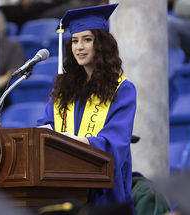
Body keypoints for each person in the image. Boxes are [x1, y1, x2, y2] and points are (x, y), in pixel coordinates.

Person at [37, 3, 137, 210]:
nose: (79, 47)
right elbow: (45, 126)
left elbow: (113, 144)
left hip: (104, 193)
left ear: (101, 44)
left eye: (87, 40)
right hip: (63, 187)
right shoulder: (64, 89)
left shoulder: (122, 89)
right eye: (74, 41)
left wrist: (64, 140)